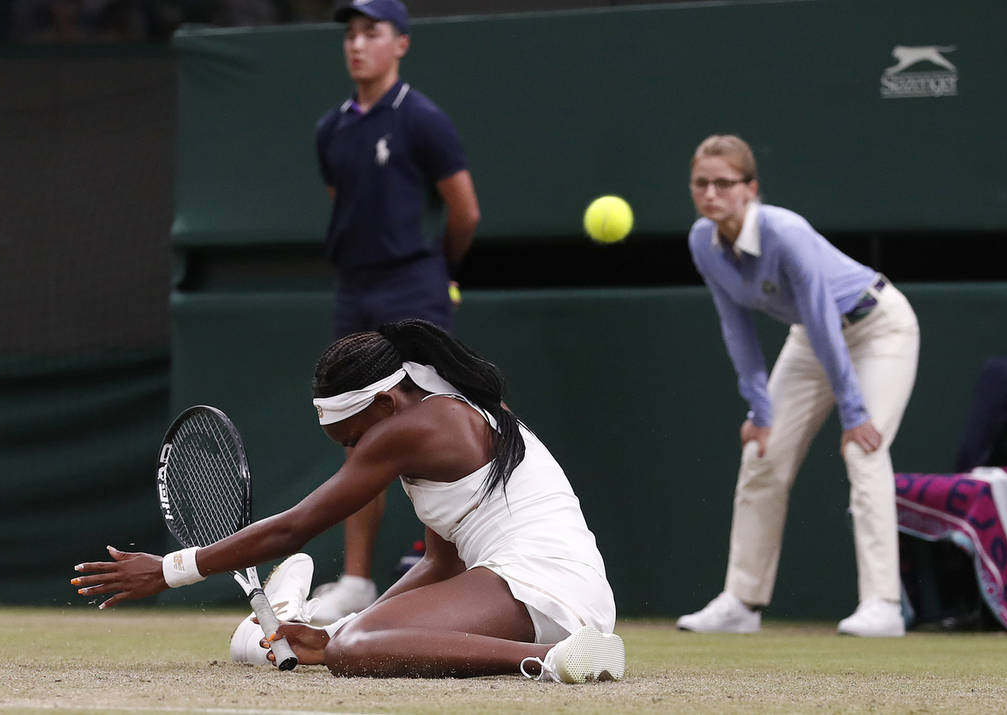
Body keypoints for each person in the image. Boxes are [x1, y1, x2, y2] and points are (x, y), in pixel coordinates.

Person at [72, 319, 624, 683]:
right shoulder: (448, 413)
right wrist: (365, 622)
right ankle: (559, 652)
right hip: (562, 598)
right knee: (345, 639)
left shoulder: (423, 426)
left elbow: (294, 528)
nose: (358, 454)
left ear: (386, 403)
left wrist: (170, 570)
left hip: (539, 590)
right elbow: (441, 562)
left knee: (349, 652)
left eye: (356, 439)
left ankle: (551, 662)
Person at [676, 134, 920, 637]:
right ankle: (742, 602)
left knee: (864, 451)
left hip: (879, 326)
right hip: (814, 339)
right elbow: (735, 325)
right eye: (702, 184)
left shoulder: (785, 232)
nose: (711, 193)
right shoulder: (703, 241)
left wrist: (854, 412)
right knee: (761, 455)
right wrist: (760, 410)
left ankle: (884, 606)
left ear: (750, 188)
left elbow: (821, 316)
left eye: (724, 183)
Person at [309, 0, 481, 621]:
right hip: (355, 289)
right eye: (351, 35)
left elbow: (464, 211)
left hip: (416, 287)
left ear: (400, 44)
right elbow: (344, 205)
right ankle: (356, 581)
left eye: (371, 33)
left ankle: (444, 561)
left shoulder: (423, 120)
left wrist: (443, 272)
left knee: (439, 419)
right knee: (360, 430)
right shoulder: (331, 130)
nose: (357, 45)